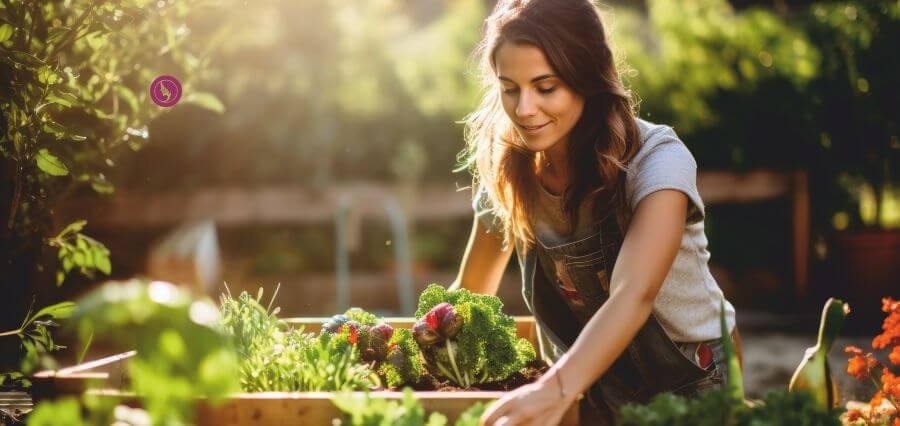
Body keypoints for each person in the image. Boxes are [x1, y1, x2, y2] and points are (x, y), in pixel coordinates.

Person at [445, 0, 744, 424]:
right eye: (510, 88)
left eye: (546, 87)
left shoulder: (657, 159)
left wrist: (555, 389)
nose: (524, 109)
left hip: (687, 379)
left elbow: (633, 293)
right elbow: (471, 293)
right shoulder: (511, 168)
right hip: (585, 377)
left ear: (588, 78)